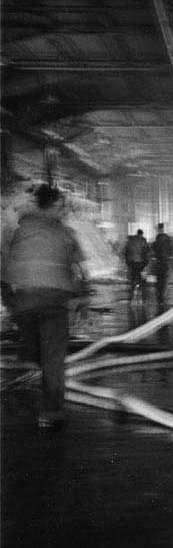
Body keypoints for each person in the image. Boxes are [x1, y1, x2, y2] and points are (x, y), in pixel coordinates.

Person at [5, 184, 87, 429]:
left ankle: (29, 359)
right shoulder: (65, 232)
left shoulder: (17, 229)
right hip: (53, 299)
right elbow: (81, 270)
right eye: (61, 206)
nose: (64, 211)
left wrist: (9, 301)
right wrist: (84, 297)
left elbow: (3, 263)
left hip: (23, 300)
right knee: (54, 357)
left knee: (34, 346)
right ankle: (51, 412)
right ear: (52, 206)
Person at [123, 228, 149, 302]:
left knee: (134, 275)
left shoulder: (130, 240)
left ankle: (133, 290)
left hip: (132, 262)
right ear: (141, 234)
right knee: (141, 277)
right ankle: (141, 292)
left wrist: (127, 261)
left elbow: (125, 250)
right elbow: (145, 251)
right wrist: (146, 262)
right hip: (140, 262)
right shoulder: (143, 240)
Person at [152, 222, 173, 304]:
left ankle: (160, 295)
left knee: (159, 279)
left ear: (158, 229)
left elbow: (154, 248)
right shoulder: (168, 239)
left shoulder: (157, 238)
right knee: (165, 279)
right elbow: (171, 250)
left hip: (158, 261)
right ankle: (162, 296)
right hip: (166, 261)